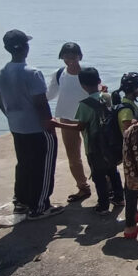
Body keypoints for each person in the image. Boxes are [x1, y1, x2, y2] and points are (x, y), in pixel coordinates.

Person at [0, 29, 63, 220]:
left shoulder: (1, 73)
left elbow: (2, 104)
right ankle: (40, 206)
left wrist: (15, 120)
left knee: (24, 164)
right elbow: (41, 104)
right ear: (26, 47)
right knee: (44, 166)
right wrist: (49, 125)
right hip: (38, 129)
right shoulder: (32, 73)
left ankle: (21, 202)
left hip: (17, 127)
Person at [60, 67, 125, 215]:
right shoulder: (107, 96)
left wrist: (57, 124)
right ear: (99, 81)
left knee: (98, 176)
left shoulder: (84, 104)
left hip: (94, 147)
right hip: (110, 143)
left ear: (82, 85)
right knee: (112, 171)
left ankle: (103, 205)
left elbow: (80, 126)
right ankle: (119, 198)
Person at [46, 42, 91, 203]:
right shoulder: (59, 74)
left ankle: (106, 184)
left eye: (73, 56)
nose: (70, 60)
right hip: (65, 118)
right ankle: (83, 187)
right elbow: (48, 96)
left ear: (80, 56)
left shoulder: (87, 73)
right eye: (66, 57)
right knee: (73, 156)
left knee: (94, 154)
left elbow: (97, 91)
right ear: (62, 57)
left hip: (88, 118)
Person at [111, 72, 138, 238]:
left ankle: (132, 215)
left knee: (132, 186)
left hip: (131, 152)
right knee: (132, 187)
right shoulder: (127, 109)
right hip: (130, 153)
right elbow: (128, 132)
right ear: (135, 88)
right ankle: (130, 227)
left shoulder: (128, 103)